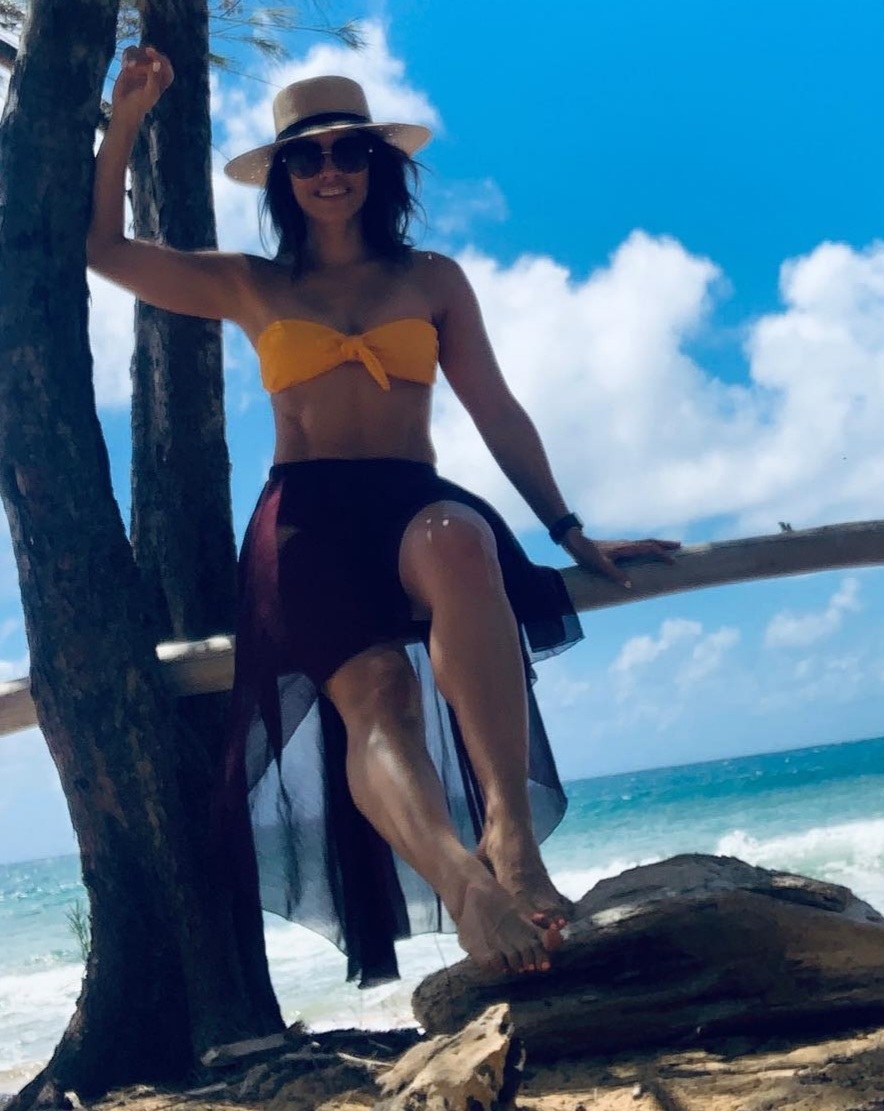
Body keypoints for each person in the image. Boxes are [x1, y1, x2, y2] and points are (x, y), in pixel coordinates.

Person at [88, 46, 679, 984]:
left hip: (410, 499)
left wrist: (569, 530)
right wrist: (126, 118)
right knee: (377, 698)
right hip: (306, 518)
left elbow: (496, 410)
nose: (330, 171)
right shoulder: (253, 283)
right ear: (284, 176)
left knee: (460, 540)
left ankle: (511, 839)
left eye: (350, 151)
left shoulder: (432, 279)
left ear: (378, 165)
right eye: (307, 156)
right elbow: (106, 251)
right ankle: (466, 885)